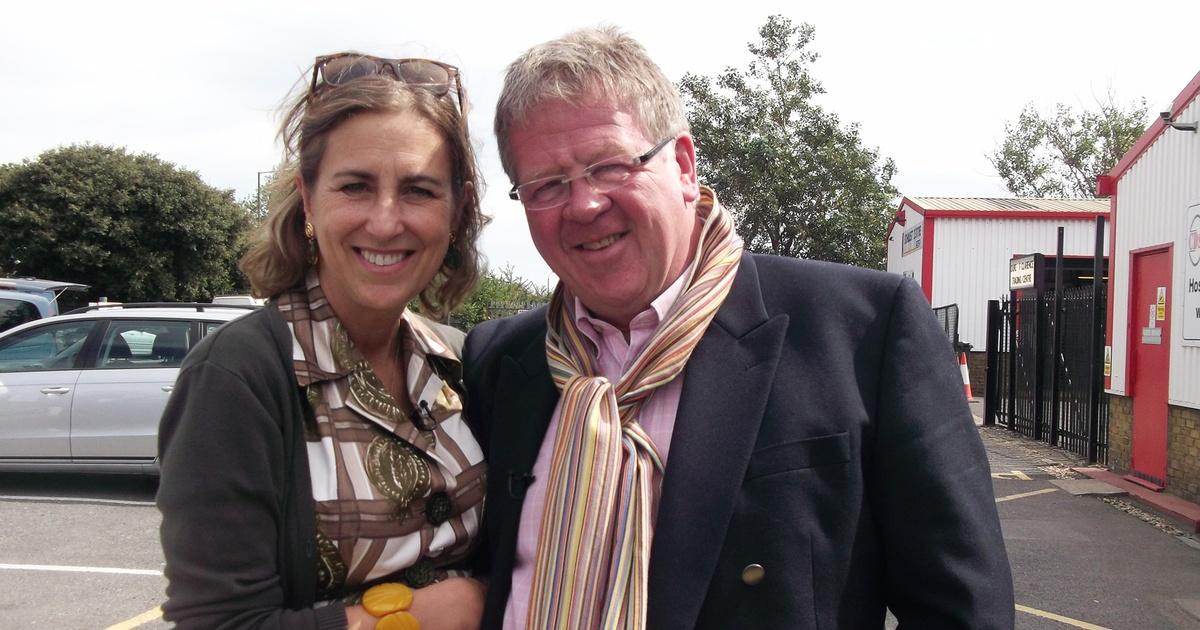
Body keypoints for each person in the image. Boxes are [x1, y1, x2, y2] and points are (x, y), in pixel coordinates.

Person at [464, 27, 1015, 629]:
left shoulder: (864, 331)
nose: (585, 205)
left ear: (681, 165)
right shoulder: (498, 362)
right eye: (547, 184)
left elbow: (963, 611)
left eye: (609, 166)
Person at [157, 52, 488, 629]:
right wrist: (425, 615)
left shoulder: (459, 359)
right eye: (355, 187)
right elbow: (217, 623)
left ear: (457, 210)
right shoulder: (239, 376)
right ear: (308, 200)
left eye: (418, 191)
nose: (386, 221)